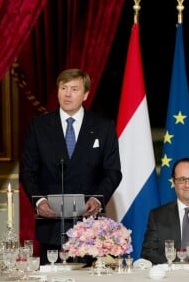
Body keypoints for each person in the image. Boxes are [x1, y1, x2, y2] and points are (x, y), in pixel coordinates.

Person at [20, 69, 122, 265]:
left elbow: (113, 172)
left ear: (85, 95)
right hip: (51, 225)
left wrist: (97, 199)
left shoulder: (103, 126)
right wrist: (39, 201)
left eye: (74, 89)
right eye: (63, 88)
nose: (67, 94)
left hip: (90, 227)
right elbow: (28, 171)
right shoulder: (38, 126)